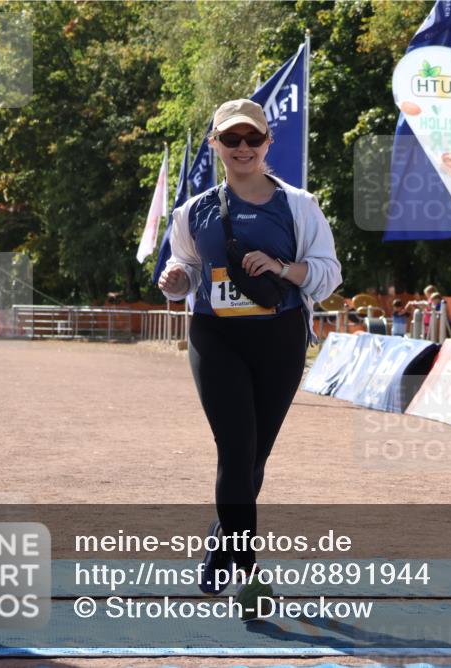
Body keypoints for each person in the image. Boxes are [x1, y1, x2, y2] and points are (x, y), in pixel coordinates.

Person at [158, 99, 341, 617]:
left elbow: (329, 273)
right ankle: (248, 573)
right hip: (215, 339)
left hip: (280, 339)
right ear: (215, 144)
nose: (242, 148)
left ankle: (222, 539)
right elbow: (186, 267)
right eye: (230, 139)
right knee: (236, 450)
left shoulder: (299, 206)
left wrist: (284, 268)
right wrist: (176, 279)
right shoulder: (192, 212)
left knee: (255, 457)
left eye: (251, 139)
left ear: (267, 144)